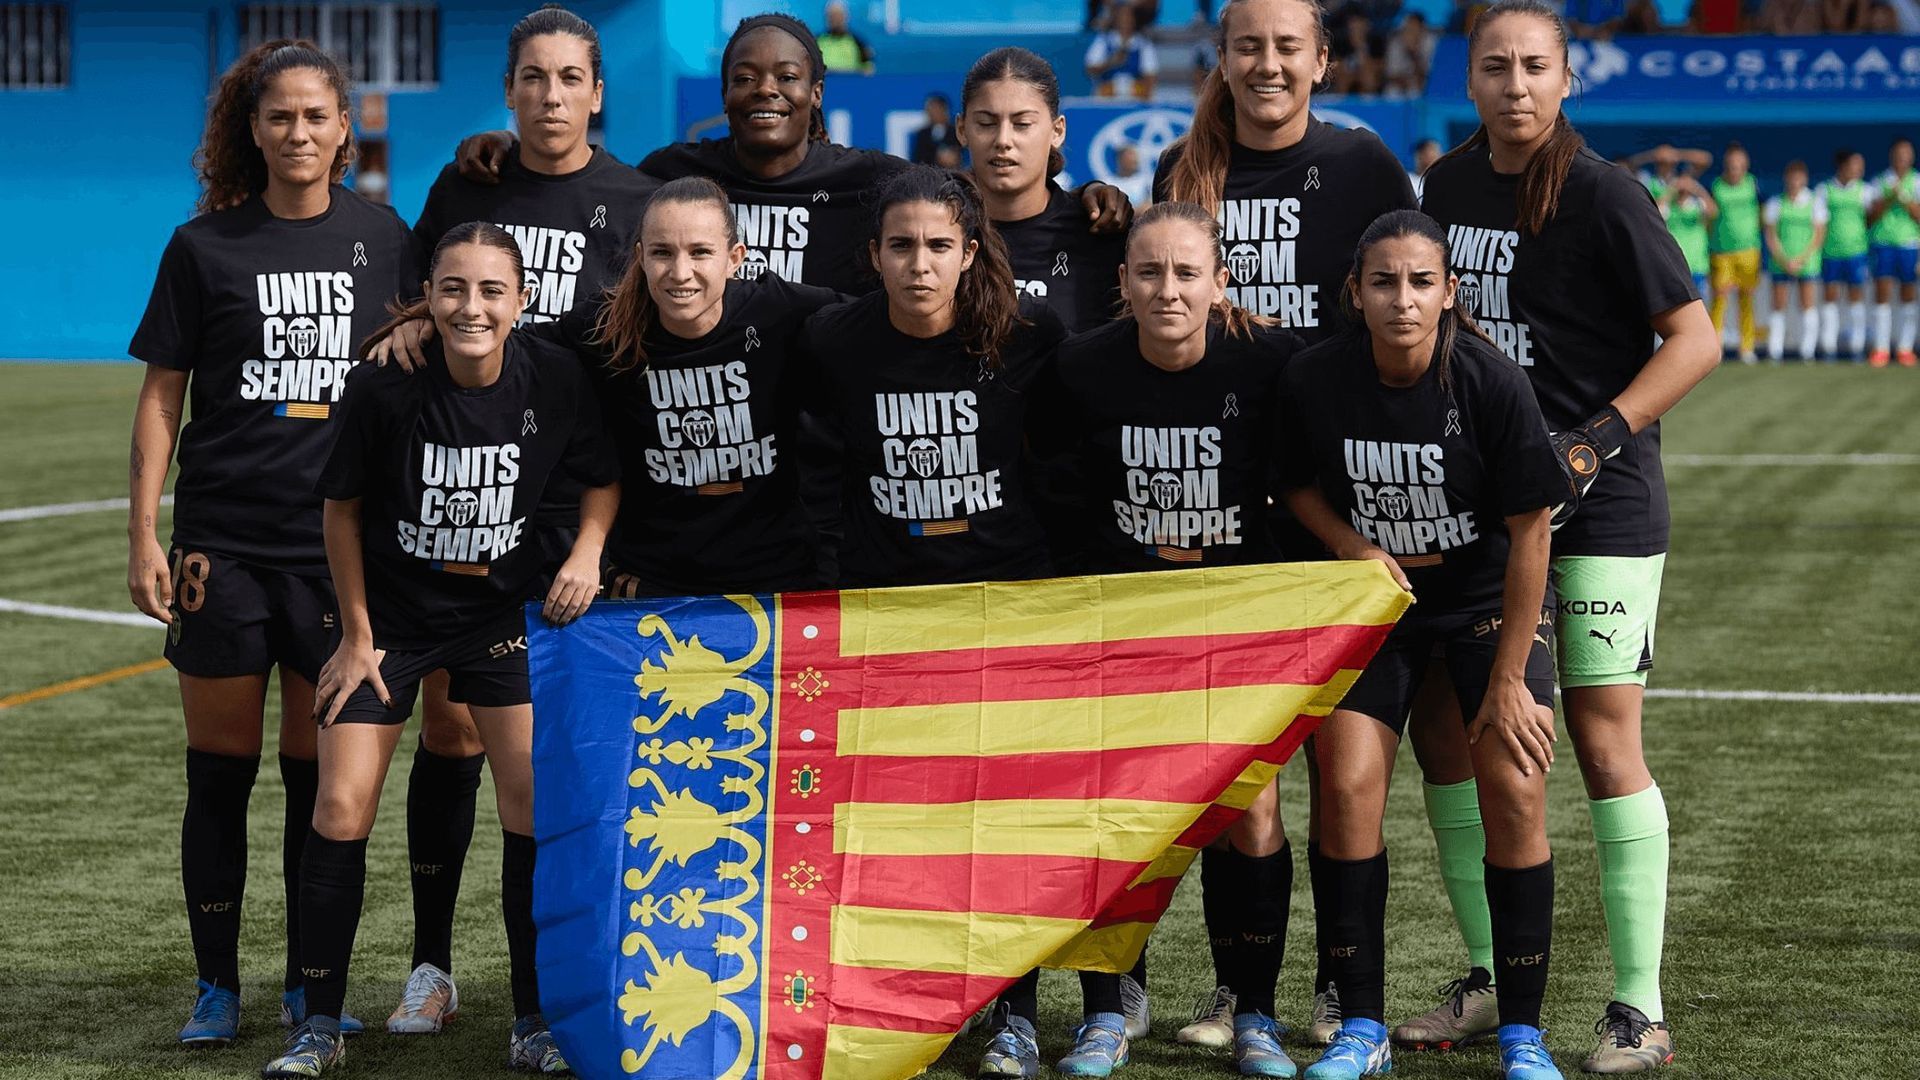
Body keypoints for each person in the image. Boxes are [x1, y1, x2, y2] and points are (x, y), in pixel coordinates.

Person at [1417, 2, 1718, 1072]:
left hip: (1603, 506)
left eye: (1535, 66)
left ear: (1566, 77)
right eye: (1495, 66)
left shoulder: (1604, 192)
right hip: (1488, 509)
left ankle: (1640, 1007)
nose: (1515, 85)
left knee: (1599, 743)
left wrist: (1594, 441)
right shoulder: (1446, 188)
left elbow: (1696, 338)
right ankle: (1496, 980)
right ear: (1470, 77)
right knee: (1458, 739)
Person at [263, 222, 619, 1078]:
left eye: (492, 291)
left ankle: (532, 1017)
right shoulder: (385, 383)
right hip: (390, 618)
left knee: (529, 803)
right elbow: (340, 510)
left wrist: (585, 552)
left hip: (497, 613)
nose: (472, 306)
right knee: (340, 806)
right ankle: (318, 1025)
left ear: (521, 301)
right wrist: (354, 636)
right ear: (429, 297)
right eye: (453, 288)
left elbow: (602, 479)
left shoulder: (555, 375)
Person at [126, 39, 414, 1049]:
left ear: (346, 129)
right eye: (278, 116)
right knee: (219, 767)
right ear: (252, 129)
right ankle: (216, 985)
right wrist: (145, 533)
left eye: (315, 116)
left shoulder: (387, 236)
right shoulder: (203, 246)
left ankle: (307, 981)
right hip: (224, 546)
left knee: (313, 774)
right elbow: (163, 395)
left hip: (338, 554)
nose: (297, 132)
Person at [1153, 0, 1417, 1059]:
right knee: (1240, 777)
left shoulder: (1361, 167)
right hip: (1224, 504)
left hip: (1343, 502)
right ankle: (1235, 989)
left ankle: (1338, 988)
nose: (1267, 64)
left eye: (1285, 47)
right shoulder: (1183, 167)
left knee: (1349, 781)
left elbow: (1409, 294)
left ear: (1320, 59)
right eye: (1247, 46)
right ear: (1222, 57)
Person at [388, 6, 649, 1035]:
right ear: (510, 90)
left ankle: (556, 989)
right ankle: (431, 967)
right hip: (471, 496)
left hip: (588, 500)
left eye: (569, 78)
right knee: (451, 730)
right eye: (532, 78)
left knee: (561, 755)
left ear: (597, 90)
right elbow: (418, 307)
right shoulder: (470, 184)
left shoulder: (635, 196)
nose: (550, 96)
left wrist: (606, 536)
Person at [1276, 209, 1563, 1080]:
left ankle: (1522, 1031)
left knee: (1514, 783)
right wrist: (1354, 547)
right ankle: (1359, 1027)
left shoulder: (1490, 381)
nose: (1403, 300)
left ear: (1450, 293)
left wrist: (1510, 678)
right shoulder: (1317, 376)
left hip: (1482, 608)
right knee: (1349, 784)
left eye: (1421, 282)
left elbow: (1531, 533)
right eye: (1384, 282)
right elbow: (1290, 483)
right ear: (1355, 293)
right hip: (1377, 609)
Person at [1023, 201, 1304, 1076]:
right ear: (1123, 284)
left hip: (1237, 620)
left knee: (1251, 809)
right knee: (1111, 810)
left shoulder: (1275, 364)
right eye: (1150, 272)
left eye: (1187, 272)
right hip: (1123, 621)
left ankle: (1252, 1010)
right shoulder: (1079, 367)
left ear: (1222, 283)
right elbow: (1050, 495)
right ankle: (1106, 1012)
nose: (1168, 289)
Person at [801, 165, 1065, 590]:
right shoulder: (834, 339)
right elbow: (816, 471)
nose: (919, 265)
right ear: (876, 254)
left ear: (968, 254)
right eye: (901, 245)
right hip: (880, 590)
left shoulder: (1025, 330)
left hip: (1008, 585)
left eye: (939, 245)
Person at [962, 48, 1130, 334]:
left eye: (1022, 124)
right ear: (961, 129)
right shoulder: (934, 233)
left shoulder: (1104, 232)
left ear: (1057, 131)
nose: (1003, 140)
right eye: (986, 123)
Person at [1762, 160, 1827, 363]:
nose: (1794, 182)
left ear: (1805, 179)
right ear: (1786, 179)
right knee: (1778, 305)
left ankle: (1807, 351)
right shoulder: (1775, 203)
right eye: (1791, 178)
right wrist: (1784, 259)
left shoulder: (1815, 202)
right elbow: (1771, 236)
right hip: (1781, 263)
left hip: (1807, 263)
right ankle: (1775, 351)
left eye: (1798, 178)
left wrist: (1801, 259)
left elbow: (1818, 235)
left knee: (1807, 305)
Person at [1635, 147, 1717, 305]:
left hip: (1696, 263)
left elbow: (1706, 159)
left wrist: (1677, 154)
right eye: (1664, 162)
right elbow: (1628, 164)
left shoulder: (1691, 197)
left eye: (1671, 162)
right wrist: (1653, 154)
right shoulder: (1650, 183)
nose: (1668, 165)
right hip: (1669, 261)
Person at [1866, 136, 1919, 367]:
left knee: (1908, 296)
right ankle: (1881, 348)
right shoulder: (1880, 181)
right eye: (1898, 155)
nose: (1902, 159)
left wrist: (1905, 199)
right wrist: (1889, 198)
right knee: (1882, 295)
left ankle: (1905, 348)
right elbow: (1870, 218)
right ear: (1891, 157)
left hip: (1909, 244)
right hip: (1883, 243)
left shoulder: (1917, 182)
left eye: (1906, 155)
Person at [1708, 142, 1763, 364]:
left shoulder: (1753, 184)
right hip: (1721, 252)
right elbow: (1709, 218)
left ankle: (1746, 347)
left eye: (1739, 164)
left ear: (1745, 165)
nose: (1735, 168)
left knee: (1746, 300)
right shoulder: (1717, 186)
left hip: (1748, 251)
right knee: (1719, 301)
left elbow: (1762, 213)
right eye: (1731, 164)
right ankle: (1715, 349)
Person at [1816, 148, 1872, 362]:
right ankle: (1829, 346)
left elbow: (1870, 219)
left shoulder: (1866, 191)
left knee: (1855, 299)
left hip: (1856, 252)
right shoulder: (1824, 190)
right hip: (1831, 252)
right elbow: (1819, 224)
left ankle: (1856, 346)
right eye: (1856, 164)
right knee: (1830, 299)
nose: (1860, 169)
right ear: (1843, 166)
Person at [1086, 2, 1162, 100]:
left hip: (1135, 93)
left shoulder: (1144, 45)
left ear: (1134, 20)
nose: (1125, 21)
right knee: (1102, 91)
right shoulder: (1103, 41)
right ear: (1115, 20)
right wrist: (1110, 62)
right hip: (1108, 93)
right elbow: (1090, 69)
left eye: (1128, 17)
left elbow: (1151, 75)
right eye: (1121, 18)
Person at [1383, 11, 1435, 95]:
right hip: (1402, 83)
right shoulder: (1396, 42)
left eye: (1414, 28)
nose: (1411, 32)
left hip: (1423, 85)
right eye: (1408, 28)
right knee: (1391, 91)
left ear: (1422, 29)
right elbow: (1390, 75)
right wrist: (1405, 82)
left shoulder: (1430, 42)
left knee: (1415, 91)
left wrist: (1413, 53)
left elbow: (1428, 78)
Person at [818, 0, 875, 73]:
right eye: (831, 16)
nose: (835, 19)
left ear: (846, 16)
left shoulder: (858, 42)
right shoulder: (817, 42)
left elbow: (869, 69)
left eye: (838, 15)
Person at [910, 91, 962, 165]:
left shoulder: (957, 131)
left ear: (945, 110)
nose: (931, 113)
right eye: (929, 110)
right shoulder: (922, 134)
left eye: (935, 109)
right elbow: (916, 159)